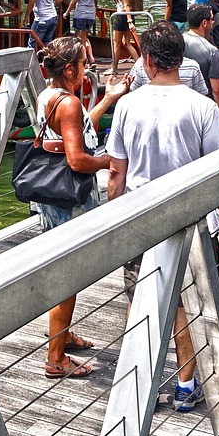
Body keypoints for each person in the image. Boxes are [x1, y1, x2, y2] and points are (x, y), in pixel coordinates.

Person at [107, 22, 219, 411]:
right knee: (189, 305)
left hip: (141, 218)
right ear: (181, 60)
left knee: (139, 303)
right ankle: (185, 386)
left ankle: (137, 386)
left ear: (146, 60)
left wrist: (115, 218)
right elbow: (218, 175)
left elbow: (116, 173)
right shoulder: (203, 108)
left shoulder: (127, 105)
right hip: (193, 221)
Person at [33, 37, 127, 380]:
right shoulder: (69, 103)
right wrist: (109, 162)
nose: (88, 68)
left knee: (64, 269)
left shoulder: (48, 94)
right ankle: (56, 357)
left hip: (52, 197)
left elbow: (80, 130)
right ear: (70, 69)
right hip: (69, 201)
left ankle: (62, 334)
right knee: (69, 275)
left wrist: (108, 99)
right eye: (84, 63)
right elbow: (77, 159)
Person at [183, 4, 219, 122]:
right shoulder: (211, 50)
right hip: (202, 109)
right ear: (204, 23)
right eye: (212, 19)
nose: (213, 22)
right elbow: (217, 89)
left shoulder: (178, 42)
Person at [109, 0, 143, 80]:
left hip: (123, 16)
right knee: (127, 43)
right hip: (130, 15)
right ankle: (140, 64)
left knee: (117, 44)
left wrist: (129, 20)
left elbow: (125, 5)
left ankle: (114, 69)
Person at [62, 0, 99, 64]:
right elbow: (96, 0)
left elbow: (74, 0)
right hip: (91, 14)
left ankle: (83, 61)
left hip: (81, 14)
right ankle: (91, 58)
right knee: (84, 38)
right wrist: (94, 9)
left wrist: (66, 13)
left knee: (79, 40)